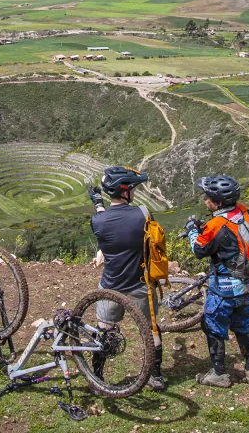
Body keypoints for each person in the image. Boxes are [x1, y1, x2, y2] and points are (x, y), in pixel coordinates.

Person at [88, 166, 165, 391]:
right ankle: (157, 377)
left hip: (111, 285)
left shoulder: (97, 222)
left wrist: (97, 203)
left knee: (104, 329)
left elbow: (105, 218)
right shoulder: (143, 213)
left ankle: (97, 377)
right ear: (125, 192)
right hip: (141, 283)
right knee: (151, 330)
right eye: (132, 188)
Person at [185, 175, 249, 388]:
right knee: (243, 326)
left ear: (217, 202)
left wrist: (192, 229)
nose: (204, 200)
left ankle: (219, 373)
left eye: (207, 197)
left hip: (225, 290)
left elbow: (199, 250)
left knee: (213, 326)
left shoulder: (216, 224)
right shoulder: (244, 211)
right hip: (247, 285)